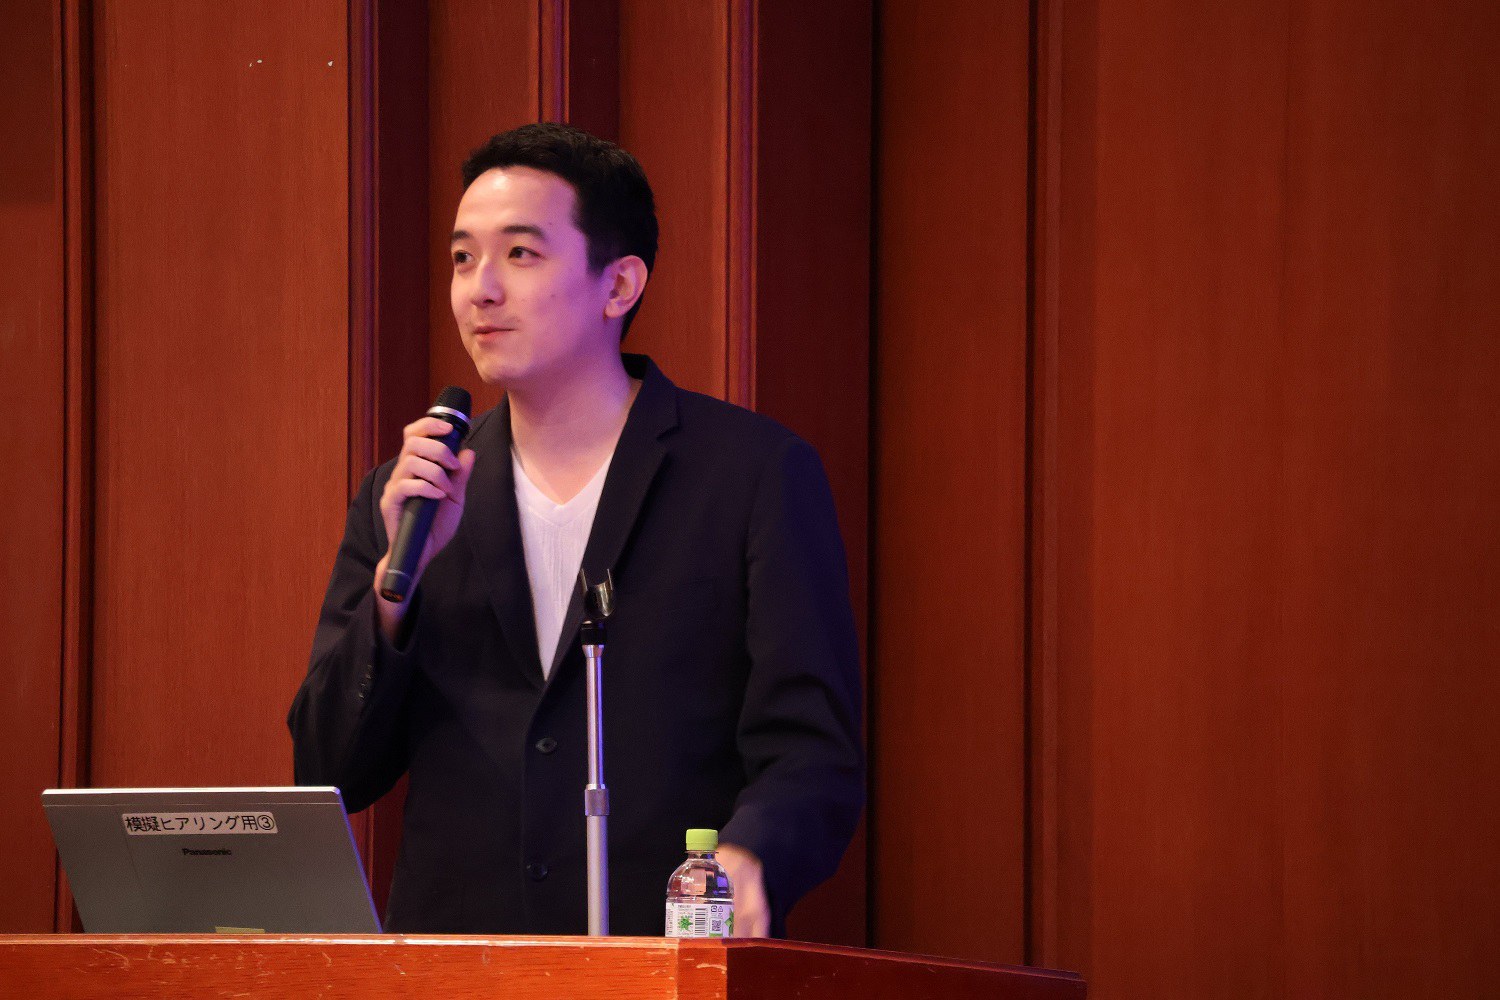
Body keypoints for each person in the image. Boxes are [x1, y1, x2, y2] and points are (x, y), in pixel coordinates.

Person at [288, 122, 862, 937]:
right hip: (461, 968)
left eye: (520, 254)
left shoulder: (753, 476)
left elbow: (811, 749)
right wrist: (392, 598)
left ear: (618, 283)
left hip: (658, 952)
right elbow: (329, 770)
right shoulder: (410, 496)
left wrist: (751, 854)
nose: (481, 289)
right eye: (463, 258)